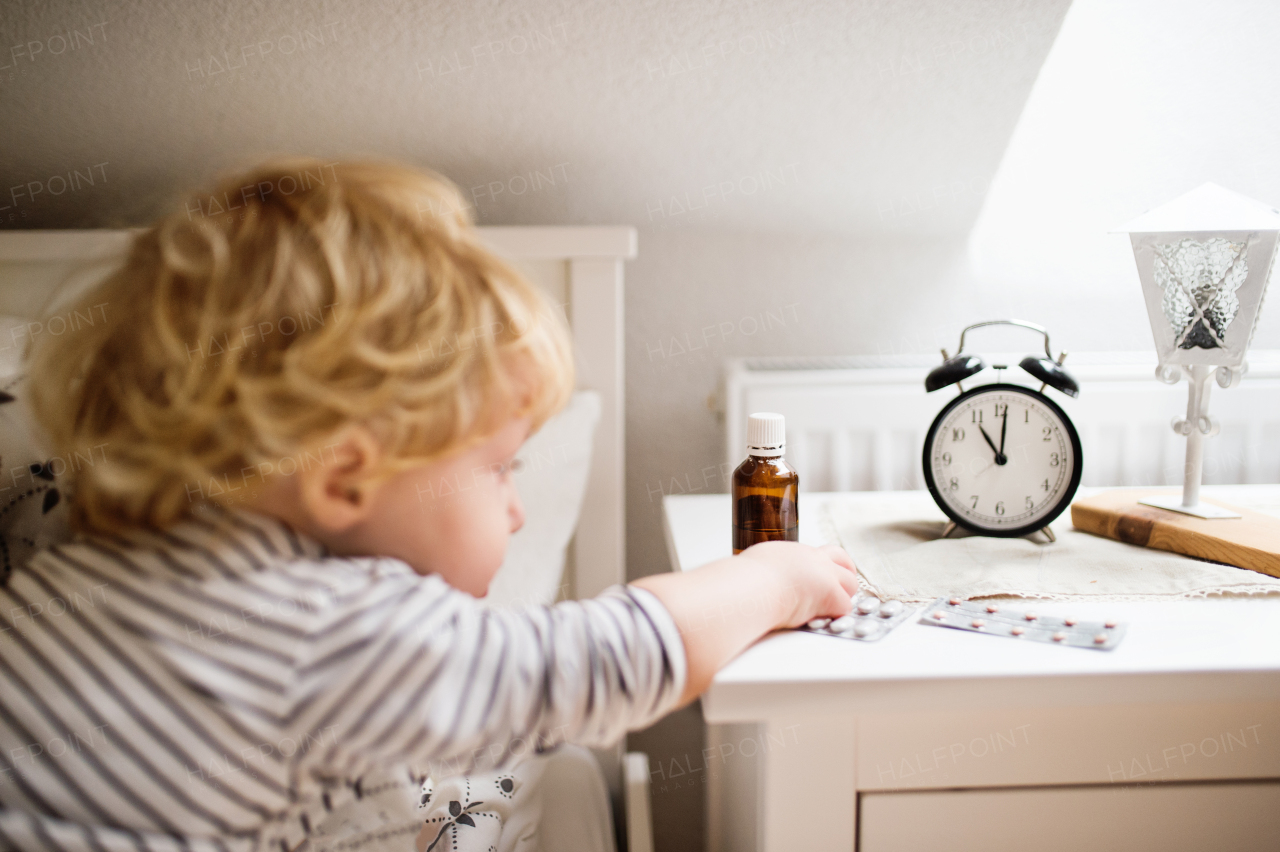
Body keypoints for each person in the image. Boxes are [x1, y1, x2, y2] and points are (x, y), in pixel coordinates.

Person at [1, 158, 857, 852]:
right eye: (499, 469)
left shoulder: (61, 577)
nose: (517, 511)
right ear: (343, 479)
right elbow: (606, 658)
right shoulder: (327, 629)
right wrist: (779, 574)